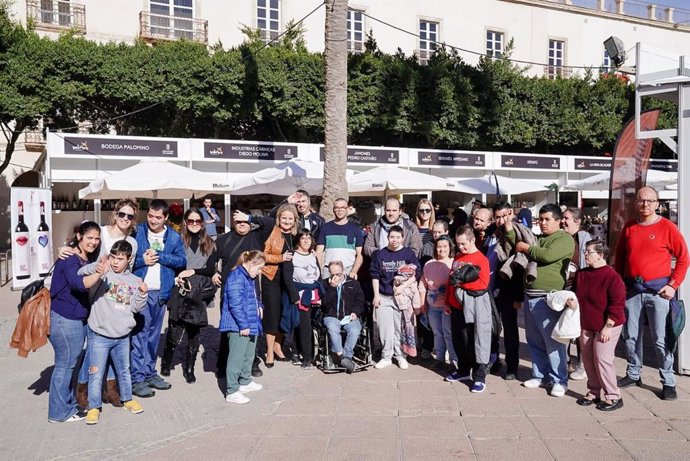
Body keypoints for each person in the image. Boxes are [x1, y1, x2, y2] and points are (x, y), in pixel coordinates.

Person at [60, 198, 140, 408]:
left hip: (112, 297)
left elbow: (128, 270)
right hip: (91, 293)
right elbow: (84, 248)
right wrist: (64, 250)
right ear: (115, 213)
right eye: (122, 214)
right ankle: (83, 390)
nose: (125, 219)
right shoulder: (101, 232)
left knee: (114, 340)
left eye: (130, 216)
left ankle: (111, 390)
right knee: (94, 347)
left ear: (133, 219)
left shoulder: (132, 241)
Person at [615, 186, 689, 401]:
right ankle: (633, 373)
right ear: (635, 203)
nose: (645, 204)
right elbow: (620, 257)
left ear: (657, 204)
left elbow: (684, 258)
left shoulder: (668, 227)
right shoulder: (629, 227)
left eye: (650, 200)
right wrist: (620, 282)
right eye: (641, 200)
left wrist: (673, 285)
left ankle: (668, 381)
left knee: (661, 339)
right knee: (630, 336)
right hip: (632, 291)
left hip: (659, 293)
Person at [78, 240, 147, 424]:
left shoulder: (135, 280)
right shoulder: (104, 273)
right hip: (99, 334)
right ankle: (94, 407)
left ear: (129, 259)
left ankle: (128, 399)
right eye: (113, 257)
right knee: (96, 372)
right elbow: (81, 272)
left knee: (124, 371)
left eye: (120, 258)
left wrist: (142, 294)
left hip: (122, 336)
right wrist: (98, 266)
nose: (116, 262)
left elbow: (135, 308)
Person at [515, 204, 575, 397]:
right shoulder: (538, 239)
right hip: (530, 295)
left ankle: (560, 380)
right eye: (540, 219)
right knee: (534, 340)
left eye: (547, 219)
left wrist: (526, 248)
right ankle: (540, 374)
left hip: (548, 298)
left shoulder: (564, 239)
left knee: (553, 342)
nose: (543, 223)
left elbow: (547, 255)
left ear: (558, 221)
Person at [47, 221, 103, 423]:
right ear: (79, 236)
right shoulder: (70, 258)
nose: (94, 242)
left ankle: (67, 405)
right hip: (64, 320)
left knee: (69, 364)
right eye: (89, 238)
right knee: (65, 365)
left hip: (74, 318)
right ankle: (58, 413)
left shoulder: (83, 257)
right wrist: (99, 273)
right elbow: (78, 283)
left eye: (97, 238)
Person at [131, 199, 187, 398]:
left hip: (161, 293)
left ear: (166, 218)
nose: (153, 220)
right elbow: (125, 261)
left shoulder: (173, 237)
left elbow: (181, 260)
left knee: (153, 338)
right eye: (150, 216)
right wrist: (142, 260)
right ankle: (137, 378)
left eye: (157, 217)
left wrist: (161, 256)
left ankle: (149, 373)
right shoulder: (136, 232)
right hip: (140, 292)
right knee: (139, 337)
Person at [214, 209, 274, 378]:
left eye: (245, 222)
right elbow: (212, 257)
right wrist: (213, 272)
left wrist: (249, 217)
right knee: (229, 327)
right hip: (229, 289)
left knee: (252, 327)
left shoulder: (257, 236)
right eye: (239, 221)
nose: (242, 224)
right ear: (233, 222)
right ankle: (224, 364)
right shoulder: (223, 239)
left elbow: (269, 223)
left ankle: (251, 364)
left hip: (252, 289)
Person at [161, 208, 218, 383]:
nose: (194, 224)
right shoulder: (178, 241)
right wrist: (178, 276)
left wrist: (192, 270)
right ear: (186, 222)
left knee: (194, 332)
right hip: (180, 289)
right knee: (174, 328)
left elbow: (210, 269)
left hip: (198, 293)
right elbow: (172, 263)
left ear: (203, 223)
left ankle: (190, 368)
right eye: (191, 221)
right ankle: (166, 362)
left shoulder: (210, 243)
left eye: (198, 221)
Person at [571, 240, 626, 411]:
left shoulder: (612, 277)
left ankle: (614, 396)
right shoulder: (582, 274)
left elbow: (617, 304)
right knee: (588, 359)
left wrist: (608, 326)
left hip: (608, 324)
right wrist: (570, 300)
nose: (586, 255)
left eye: (590, 252)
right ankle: (593, 391)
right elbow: (574, 293)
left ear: (601, 255)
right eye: (585, 252)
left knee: (602, 359)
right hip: (587, 324)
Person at [445, 226, 492, 393]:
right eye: (458, 244)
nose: (461, 247)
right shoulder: (457, 257)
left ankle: (479, 376)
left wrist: (461, 283)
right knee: (459, 341)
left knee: (475, 341)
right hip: (455, 306)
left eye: (464, 244)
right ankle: (463, 370)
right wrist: (447, 302)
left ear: (472, 240)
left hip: (472, 308)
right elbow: (450, 281)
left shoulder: (481, 259)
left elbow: (483, 284)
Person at [370, 225, 421, 369]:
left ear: (403, 238)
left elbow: (416, 274)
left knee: (400, 328)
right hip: (383, 296)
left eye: (398, 237)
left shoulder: (408, 254)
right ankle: (386, 356)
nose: (394, 240)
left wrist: (402, 287)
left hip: (401, 298)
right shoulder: (380, 254)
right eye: (392, 237)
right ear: (388, 237)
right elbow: (375, 275)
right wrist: (376, 296)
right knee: (385, 328)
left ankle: (400, 356)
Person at [221, 251, 266, 404]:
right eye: (259, 268)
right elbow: (235, 304)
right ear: (251, 263)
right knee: (236, 358)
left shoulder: (249, 278)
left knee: (248, 355)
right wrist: (243, 324)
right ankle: (232, 390)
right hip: (239, 325)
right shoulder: (237, 277)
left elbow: (253, 297)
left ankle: (245, 380)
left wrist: (259, 305)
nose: (260, 272)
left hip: (251, 322)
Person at [260, 203, 300, 367]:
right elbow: (263, 255)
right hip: (271, 277)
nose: (287, 221)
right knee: (272, 314)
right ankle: (269, 350)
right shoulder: (272, 232)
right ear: (279, 218)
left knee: (284, 312)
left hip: (289, 279)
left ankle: (278, 345)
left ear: (295, 220)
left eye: (290, 218)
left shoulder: (296, 235)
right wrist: (280, 258)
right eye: (284, 218)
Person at [491, 202, 525, 381]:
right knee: (493, 327)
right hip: (493, 287)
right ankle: (494, 361)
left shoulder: (517, 231)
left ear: (511, 213)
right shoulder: (493, 232)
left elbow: (520, 264)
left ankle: (512, 366)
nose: (500, 220)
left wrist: (519, 296)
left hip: (510, 288)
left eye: (503, 215)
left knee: (510, 330)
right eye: (497, 216)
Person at [561, 207, 593, 381]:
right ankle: (566, 361)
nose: (563, 221)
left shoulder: (584, 239)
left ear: (577, 221)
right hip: (563, 288)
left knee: (580, 328)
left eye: (567, 218)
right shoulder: (562, 237)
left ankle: (583, 364)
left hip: (579, 288)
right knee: (563, 326)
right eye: (563, 218)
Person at [418, 235, 457, 371]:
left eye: (445, 246)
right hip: (432, 305)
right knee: (437, 333)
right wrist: (422, 303)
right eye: (439, 246)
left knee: (448, 333)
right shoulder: (429, 264)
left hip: (448, 306)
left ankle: (454, 360)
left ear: (450, 247)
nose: (442, 249)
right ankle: (439, 358)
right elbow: (423, 283)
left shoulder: (454, 263)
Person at [322, 260, 365, 374]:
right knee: (332, 327)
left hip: (349, 315)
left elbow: (360, 301)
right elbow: (324, 304)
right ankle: (341, 358)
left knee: (355, 329)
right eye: (333, 274)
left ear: (343, 271)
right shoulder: (325, 284)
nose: (336, 277)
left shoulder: (353, 283)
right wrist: (332, 288)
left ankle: (347, 357)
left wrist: (356, 312)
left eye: (338, 274)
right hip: (331, 315)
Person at [290, 229, 321, 369]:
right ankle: (306, 357)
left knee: (309, 324)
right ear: (298, 240)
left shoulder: (314, 255)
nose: (306, 240)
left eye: (309, 237)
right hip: (300, 294)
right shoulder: (292, 255)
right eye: (303, 238)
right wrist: (294, 295)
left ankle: (302, 351)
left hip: (314, 292)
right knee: (302, 325)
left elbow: (318, 274)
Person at [315, 198, 364, 279]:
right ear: (333, 209)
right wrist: (319, 271)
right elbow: (319, 252)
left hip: (348, 270)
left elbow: (359, 255)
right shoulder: (325, 228)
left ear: (347, 209)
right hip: (329, 271)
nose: (339, 210)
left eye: (342, 207)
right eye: (337, 207)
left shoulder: (355, 229)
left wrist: (354, 271)